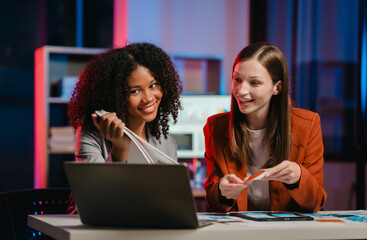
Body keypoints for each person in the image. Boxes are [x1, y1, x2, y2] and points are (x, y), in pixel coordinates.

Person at [203, 42, 327, 213]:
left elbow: (315, 202)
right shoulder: (215, 127)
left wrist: (298, 177)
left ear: (277, 87)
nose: (241, 90)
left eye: (254, 83)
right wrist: (222, 192)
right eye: (237, 79)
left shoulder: (308, 125)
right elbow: (213, 202)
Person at [68, 42, 182, 163]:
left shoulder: (166, 143)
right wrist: (120, 149)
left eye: (153, 85)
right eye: (135, 91)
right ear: (115, 95)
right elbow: (96, 182)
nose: (148, 98)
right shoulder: (90, 137)